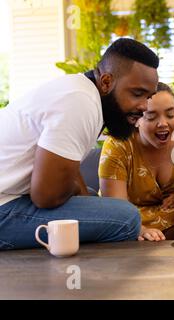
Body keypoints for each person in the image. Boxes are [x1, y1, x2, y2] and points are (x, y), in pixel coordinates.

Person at [0, 38, 160, 250]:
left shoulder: (82, 91)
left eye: (149, 96)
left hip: (9, 196)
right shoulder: (80, 102)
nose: (144, 106)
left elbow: (67, 167)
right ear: (106, 82)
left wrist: (84, 196)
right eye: (137, 93)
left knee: (92, 197)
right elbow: (46, 196)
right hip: (5, 206)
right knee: (127, 218)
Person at [99, 82, 174, 241]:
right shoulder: (117, 145)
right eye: (151, 116)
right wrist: (140, 229)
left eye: (170, 115)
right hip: (129, 218)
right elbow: (117, 212)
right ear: (135, 120)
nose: (163, 123)